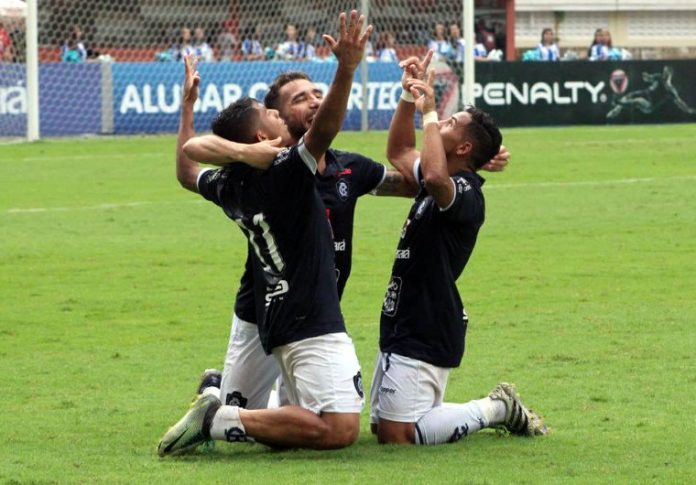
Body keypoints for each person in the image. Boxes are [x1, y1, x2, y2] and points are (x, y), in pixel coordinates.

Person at [178, 49, 511, 425]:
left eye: (316, 93)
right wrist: (247, 151)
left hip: (317, 310)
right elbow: (192, 167)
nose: (314, 100)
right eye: (298, 99)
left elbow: (414, 178)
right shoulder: (267, 175)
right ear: (276, 120)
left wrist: (466, 163)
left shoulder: (347, 169)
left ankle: (220, 398)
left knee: (297, 417)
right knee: (246, 410)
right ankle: (217, 395)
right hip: (259, 310)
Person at [158, 10, 374, 455]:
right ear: (263, 134)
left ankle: (219, 399)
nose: (280, 117)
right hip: (307, 312)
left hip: (273, 309)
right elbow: (326, 127)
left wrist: (188, 108)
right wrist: (347, 68)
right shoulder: (286, 170)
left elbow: (186, 167)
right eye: (273, 115)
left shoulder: (229, 183)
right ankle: (217, 418)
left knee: (282, 425)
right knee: (337, 429)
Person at [369, 55, 547, 445]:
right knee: (383, 428)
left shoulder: (464, 191)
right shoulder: (445, 175)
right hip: (404, 316)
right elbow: (399, 149)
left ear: (464, 147)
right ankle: (487, 410)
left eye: (451, 123)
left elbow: (433, 176)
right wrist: (407, 93)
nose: (441, 122)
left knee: (398, 436)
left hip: (429, 321)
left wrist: (430, 113)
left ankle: (496, 408)